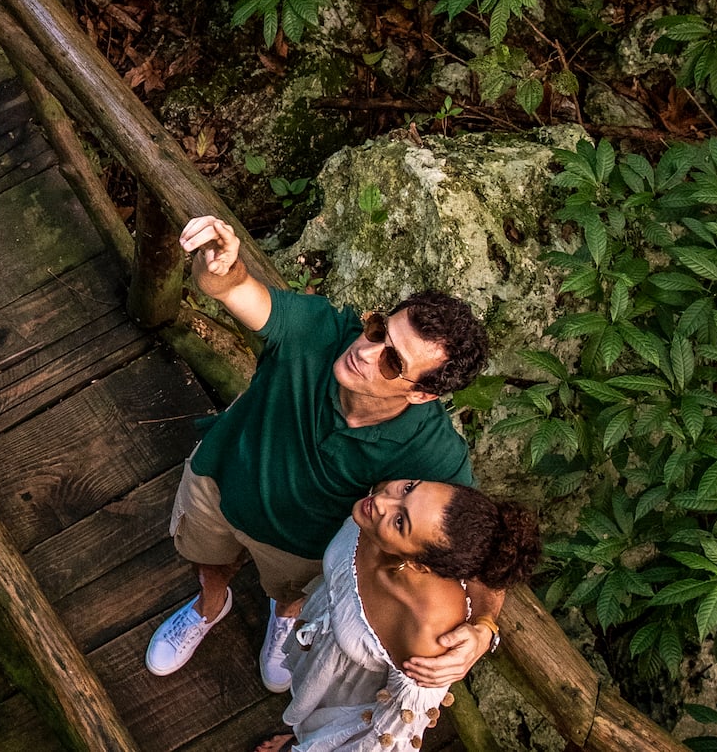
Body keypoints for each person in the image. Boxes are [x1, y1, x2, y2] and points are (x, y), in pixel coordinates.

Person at [144, 214, 501, 694]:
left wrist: (484, 629)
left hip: (300, 550)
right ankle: (210, 605)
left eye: (393, 361)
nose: (367, 351)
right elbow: (237, 289)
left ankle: (284, 613)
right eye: (378, 330)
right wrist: (219, 266)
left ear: (421, 394)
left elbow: (488, 552)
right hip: (220, 479)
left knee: (290, 594)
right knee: (206, 558)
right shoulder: (318, 330)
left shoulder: (431, 452)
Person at [258, 479, 541, 751]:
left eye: (399, 521)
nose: (381, 500)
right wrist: (486, 626)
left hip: (350, 693)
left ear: (420, 566)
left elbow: (383, 737)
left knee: (322, 730)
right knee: (306, 699)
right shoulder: (402, 506)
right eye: (408, 487)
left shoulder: (428, 634)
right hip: (323, 644)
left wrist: (485, 630)